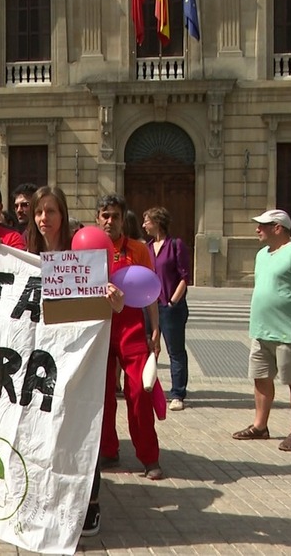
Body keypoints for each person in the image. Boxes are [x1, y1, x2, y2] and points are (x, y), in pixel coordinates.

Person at [23, 186, 125, 537]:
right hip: (41, 358)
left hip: (77, 357)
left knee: (82, 425)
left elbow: (104, 303)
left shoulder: (79, 253)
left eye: (51, 211)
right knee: (47, 430)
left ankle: (90, 502)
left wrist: (110, 295)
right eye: (39, 212)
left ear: (63, 215)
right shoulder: (26, 254)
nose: (44, 218)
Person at [232, 209, 291, 452]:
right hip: (262, 331)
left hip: (289, 332)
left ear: (278, 228)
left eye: (263, 225)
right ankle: (260, 426)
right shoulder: (262, 254)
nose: (257, 229)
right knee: (260, 378)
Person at [95, 194, 163, 480]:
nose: (110, 221)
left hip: (131, 327)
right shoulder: (86, 248)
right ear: (97, 218)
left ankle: (149, 457)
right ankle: (108, 450)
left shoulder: (138, 249)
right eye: (105, 215)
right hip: (97, 327)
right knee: (102, 395)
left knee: (139, 393)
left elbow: (150, 291)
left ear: (124, 219)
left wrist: (156, 329)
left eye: (115, 216)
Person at [142, 207, 192, 412]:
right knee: (148, 347)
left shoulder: (175, 245)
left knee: (175, 351)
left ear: (157, 222)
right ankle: (147, 388)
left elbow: (184, 277)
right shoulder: (147, 247)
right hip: (150, 306)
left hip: (171, 307)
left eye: (147, 221)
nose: (144, 225)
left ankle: (178, 393)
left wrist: (172, 301)